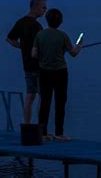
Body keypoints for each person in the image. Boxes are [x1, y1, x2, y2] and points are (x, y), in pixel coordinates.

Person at [31, 8, 82, 142]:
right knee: (60, 102)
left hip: (44, 72)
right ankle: (59, 133)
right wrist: (79, 45)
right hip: (60, 72)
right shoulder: (63, 35)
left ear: (47, 20)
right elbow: (73, 53)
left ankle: (43, 133)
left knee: (45, 102)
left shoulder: (39, 35)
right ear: (60, 21)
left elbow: (34, 54)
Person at [6, 0, 47, 124]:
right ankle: (41, 128)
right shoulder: (37, 26)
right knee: (43, 96)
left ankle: (27, 125)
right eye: (43, 7)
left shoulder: (20, 22)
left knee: (30, 95)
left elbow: (10, 39)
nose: (45, 10)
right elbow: (42, 47)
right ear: (35, 7)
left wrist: (23, 48)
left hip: (27, 65)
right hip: (40, 65)